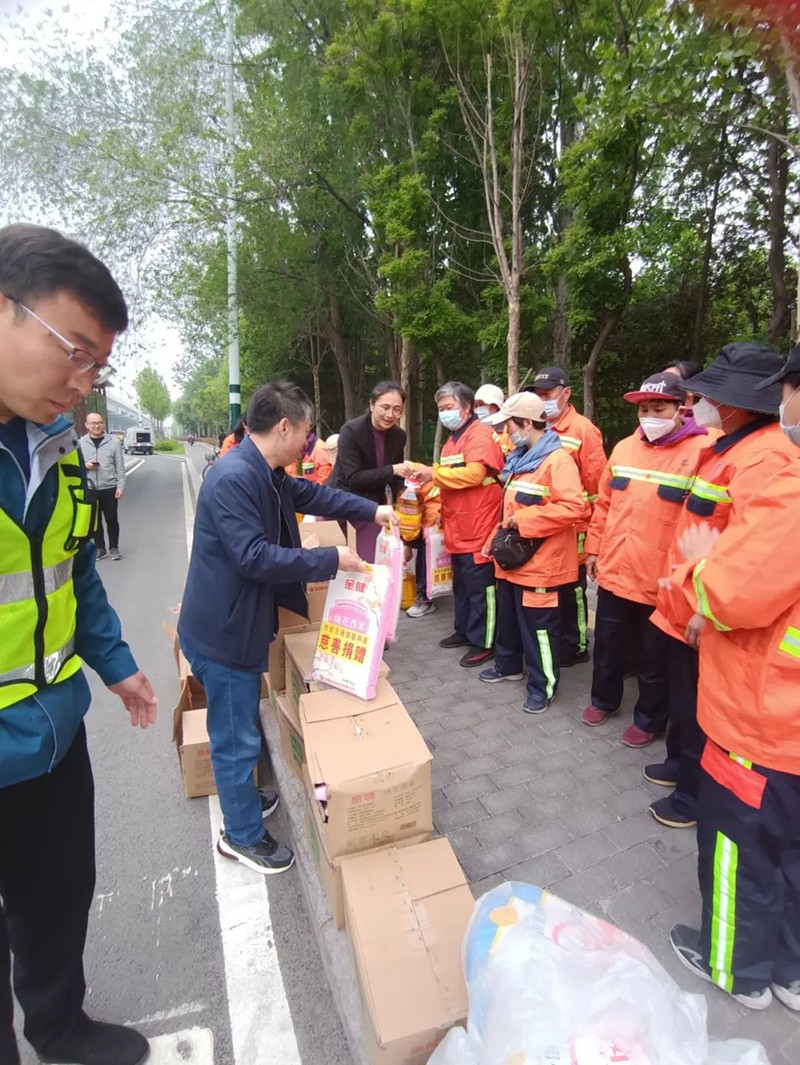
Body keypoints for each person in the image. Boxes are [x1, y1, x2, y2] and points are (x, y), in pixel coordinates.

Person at [0, 224, 157, 1065]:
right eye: (74, 351)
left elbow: (76, 573)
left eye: (97, 366)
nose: (83, 380)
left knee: (59, 892)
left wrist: (118, 667)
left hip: (55, 731)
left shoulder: (59, 450)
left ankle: (59, 1026)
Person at [178, 380, 396, 876]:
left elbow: (314, 493)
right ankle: (240, 836)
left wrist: (372, 509)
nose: (308, 441)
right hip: (224, 632)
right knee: (235, 739)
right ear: (283, 427)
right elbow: (254, 557)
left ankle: (241, 798)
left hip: (235, 619)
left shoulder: (267, 472)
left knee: (240, 729)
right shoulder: (234, 478)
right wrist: (331, 558)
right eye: (306, 431)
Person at [657, 349, 800, 1013]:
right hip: (782, 713)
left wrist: (697, 570)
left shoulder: (783, 476)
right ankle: (789, 971)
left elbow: (734, 593)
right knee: (791, 850)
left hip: (763, 709)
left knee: (741, 846)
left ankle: (736, 969)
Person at [647, 344, 793, 829]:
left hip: (707, 609)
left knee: (700, 706)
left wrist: (704, 609)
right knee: (683, 698)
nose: (697, 404)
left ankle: (691, 796)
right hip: (687, 599)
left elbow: (751, 553)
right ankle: (679, 764)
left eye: (706, 396)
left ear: (735, 403)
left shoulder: (765, 457)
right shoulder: (726, 445)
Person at [581, 372, 710, 747]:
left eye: (659, 408)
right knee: (607, 645)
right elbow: (604, 505)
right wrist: (593, 549)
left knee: (655, 656)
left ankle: (650, 719)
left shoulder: (702, 452)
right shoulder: (624, 449)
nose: (650, 416)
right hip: (615, 570)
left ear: (681, 408)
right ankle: (603, 700)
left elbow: (706, 522)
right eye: (645, 409)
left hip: (662, 579)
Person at [480, 393, 587, 713]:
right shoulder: (521, 458)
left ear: (527, 423)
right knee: (509, 620)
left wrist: (522, 522)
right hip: (514, 560)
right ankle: (508, 665)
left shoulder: (557, 461)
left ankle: (543, 686)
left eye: (509, 426)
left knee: (539, 628)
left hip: (542, 564)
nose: (505, 434)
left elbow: (572, 508)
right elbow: (510, 508)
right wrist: (494, 537)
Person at [415, 382, 504, 668]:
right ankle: (465, 630)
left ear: (466, 407)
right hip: (458, 524)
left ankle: (484, 642)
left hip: (479, 524)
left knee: (481, 589)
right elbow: (449, 480)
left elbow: (475, 474)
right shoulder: (453, 439)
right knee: (463, 586)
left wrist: (433, 473)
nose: (444, 413)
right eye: (441, 409)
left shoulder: (480, 434)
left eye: (449, 408)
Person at [529, 367, 606, 667]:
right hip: (546, 523)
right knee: (553, 585)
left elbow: (597, 486)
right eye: (538, 395)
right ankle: (559, 639)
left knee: (572, 588)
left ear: (566, 393)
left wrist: (594, 532)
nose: (543, 400)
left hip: (576, 525)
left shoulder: (583, 430)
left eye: (548, 394)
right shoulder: (538, 427)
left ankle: (577, 645)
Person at [328, 381, 411, 562]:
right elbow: (353, 478)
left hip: (375, 507)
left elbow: (396, 479)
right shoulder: (351, 431)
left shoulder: (398, 436)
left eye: (397, 409)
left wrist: (407, 497)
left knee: (374, 564)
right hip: (344, 503)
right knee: (348, 565)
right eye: (385, 407)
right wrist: (392, 470)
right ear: (372, 405)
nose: (390, 414)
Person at [79, 412, 126, 561]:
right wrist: (86, 466)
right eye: (93, 423)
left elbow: (120, 466)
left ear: (103, 424)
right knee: (95, 521)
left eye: (99, 422)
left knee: (111, 519)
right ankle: (100, 548)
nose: (97, 426)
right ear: (87, 425)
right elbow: (76, 465)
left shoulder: (114, 442)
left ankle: (114, 548)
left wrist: (120, 487)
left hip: (109, 487)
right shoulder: (81, 443)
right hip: (90, 487)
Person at [474, 383, 510, 456]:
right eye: (476, 406)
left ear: (496, 406)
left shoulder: (508, 431)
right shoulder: (475, 430)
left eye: (481, 404)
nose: (478, 409)